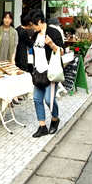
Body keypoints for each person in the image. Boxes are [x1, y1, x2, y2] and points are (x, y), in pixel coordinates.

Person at [29, 9, 64, 138]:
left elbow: (61, 52)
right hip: (38, 72)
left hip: (51, 72)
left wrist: (52, 45)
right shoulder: (35, 35)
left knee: (49, 100)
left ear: (39, 21)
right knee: (37, 99)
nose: (32, 27)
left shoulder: (54, 32)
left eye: (33, 24)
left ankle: (55, 119)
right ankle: (42, 126)